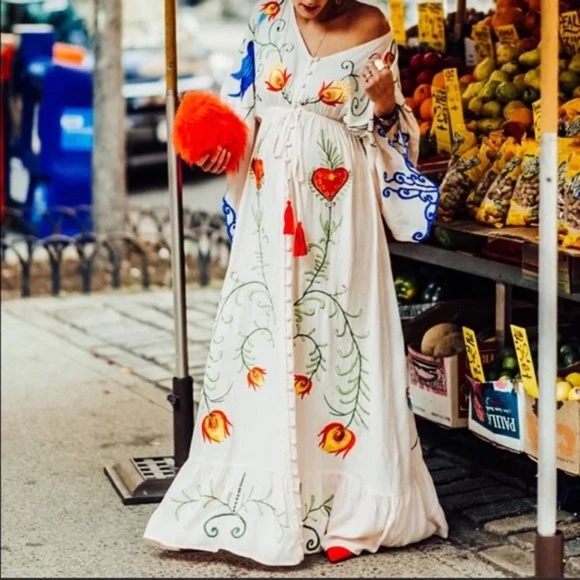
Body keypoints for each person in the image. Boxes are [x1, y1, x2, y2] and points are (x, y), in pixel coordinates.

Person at [144, 0, 448, 566]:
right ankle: (257, 494)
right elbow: (244, 115)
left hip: (341, 212)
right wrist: (219, 147)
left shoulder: (372, 26)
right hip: (268, 205)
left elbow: (396, 138)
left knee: (339, 337)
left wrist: (385, 105)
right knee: (263, 338)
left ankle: (350, 503)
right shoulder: (266, 21)